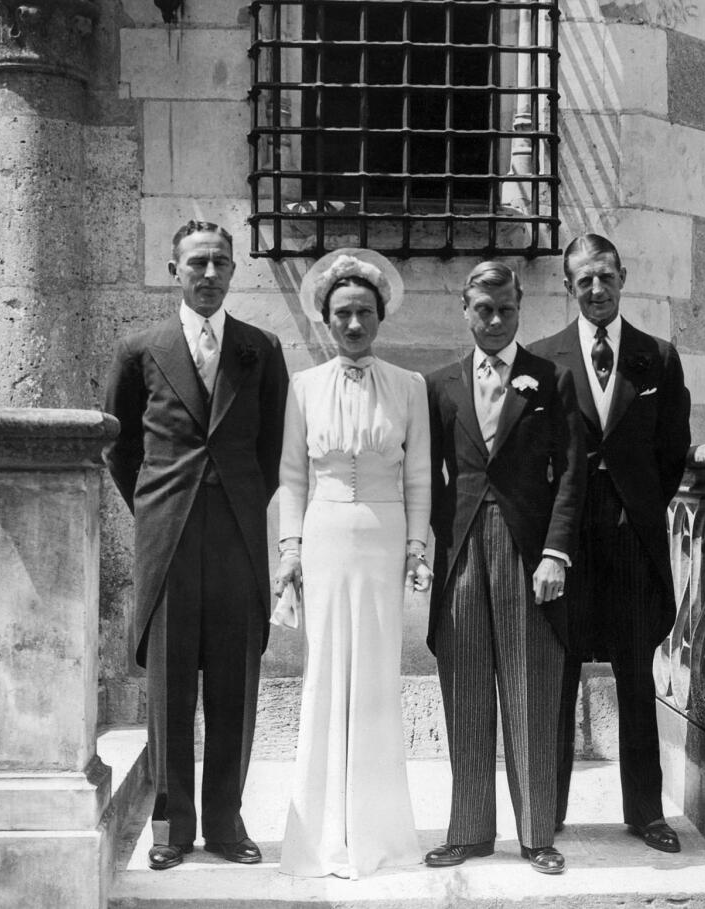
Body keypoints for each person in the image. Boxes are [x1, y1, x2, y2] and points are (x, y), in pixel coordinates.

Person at [103, 220, 289, 870]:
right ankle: (171, 825)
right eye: (196, 263)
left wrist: (235, 501)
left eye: (220, 263)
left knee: (235, 685)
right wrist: (158, 508)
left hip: (237, 538)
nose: (208, 274)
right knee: (171, 688)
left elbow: (269, 450)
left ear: (235, 270)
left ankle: (227, 821)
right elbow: (121, 447)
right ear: (174, 268)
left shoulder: (259, 348)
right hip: (170, 543)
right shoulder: (141, 349)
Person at [273, 248, 432, 879]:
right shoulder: (304, 387)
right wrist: (290, 551)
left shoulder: (409, 386)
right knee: (325, 675)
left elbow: (419, 475)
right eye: (343, 313)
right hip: (326, 536)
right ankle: (319, 835)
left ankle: (378, 834)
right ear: (324, 320)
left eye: (365, 312)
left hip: (386, 536)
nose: (355, 325)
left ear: (380, 316)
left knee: (375, 679)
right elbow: (291, 475)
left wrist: (417, 548)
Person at [530, 233, 691, 854]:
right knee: (558, 675)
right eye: (582, 280)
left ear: (622, 277)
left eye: (605, 277)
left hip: (630, 541)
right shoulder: (543, 359)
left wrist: (635, 505)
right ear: (567, 287)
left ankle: (646, 812)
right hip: (568, 541)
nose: (596, 289)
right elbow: (538, 454)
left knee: (634, 674)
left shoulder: (658, 357)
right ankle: (548, 809)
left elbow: (671, 452)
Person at [423, 261, 585, 875]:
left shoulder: (551, 379)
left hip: (528, 551)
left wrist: (555, 552)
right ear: (465, 310)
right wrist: (439, 540)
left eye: (506, 310)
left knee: (530, 686)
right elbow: (429, 476)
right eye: (483, 309)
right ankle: (469, 830)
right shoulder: (439, 385)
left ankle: (537, 833)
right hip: (462, 549)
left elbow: (571, 476)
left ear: (521, 310)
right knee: (464, 686)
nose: (494, 320)